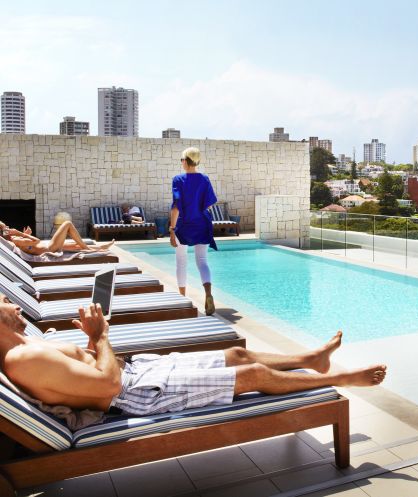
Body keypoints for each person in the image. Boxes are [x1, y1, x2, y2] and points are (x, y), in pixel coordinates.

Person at [0, 295, 387, 417]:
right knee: (249, 374)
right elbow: (106, 385)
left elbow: (81, 373)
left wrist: (91, 341)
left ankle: (311, 357)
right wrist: (100, 335)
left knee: (237, 353)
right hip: (136, 395)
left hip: (137, 373)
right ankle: (338, 378)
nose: (16, 307)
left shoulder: (26, 349)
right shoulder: (23, 360)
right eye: (5, 303)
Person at [170, 147, 218, 315]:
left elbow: (176, 207)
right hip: (202, 224)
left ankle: (183, 299)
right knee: (202, 261)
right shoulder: (204, 179)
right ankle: (208, 294)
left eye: (181, 160)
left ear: (185, 161)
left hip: (183, 225)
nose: (181, 163)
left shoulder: (178, 179)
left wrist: (171, 229)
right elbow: (210, 203)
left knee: (181, 261)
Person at [0, 220, 114, 256]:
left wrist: (26, 234)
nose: (9, 229)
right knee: (67, 224)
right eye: (6, 229)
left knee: (75, 246)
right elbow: (37, 241)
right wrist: (20, 233)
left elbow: (31, 244)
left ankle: (100, 247)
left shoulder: (14, 239)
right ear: (3, 233)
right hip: (49, 248)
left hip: (47, 247)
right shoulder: (15, 240)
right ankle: (88, 249)